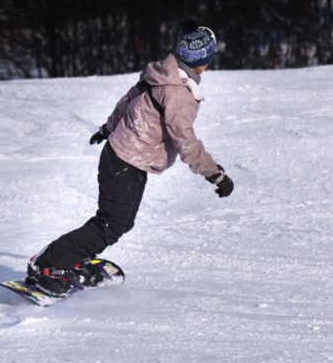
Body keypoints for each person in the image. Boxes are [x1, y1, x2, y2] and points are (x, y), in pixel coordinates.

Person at [25, 19, 234, 295]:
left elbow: (128, 100)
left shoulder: (162, 73)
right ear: (201, 62)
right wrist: (215, 174)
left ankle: (70, 258)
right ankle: (48, 264)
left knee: (119, 222)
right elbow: (186, 143)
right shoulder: (179, 95)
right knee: (110, 225)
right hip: (126, 161)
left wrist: (108, 128)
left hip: (124, 157)